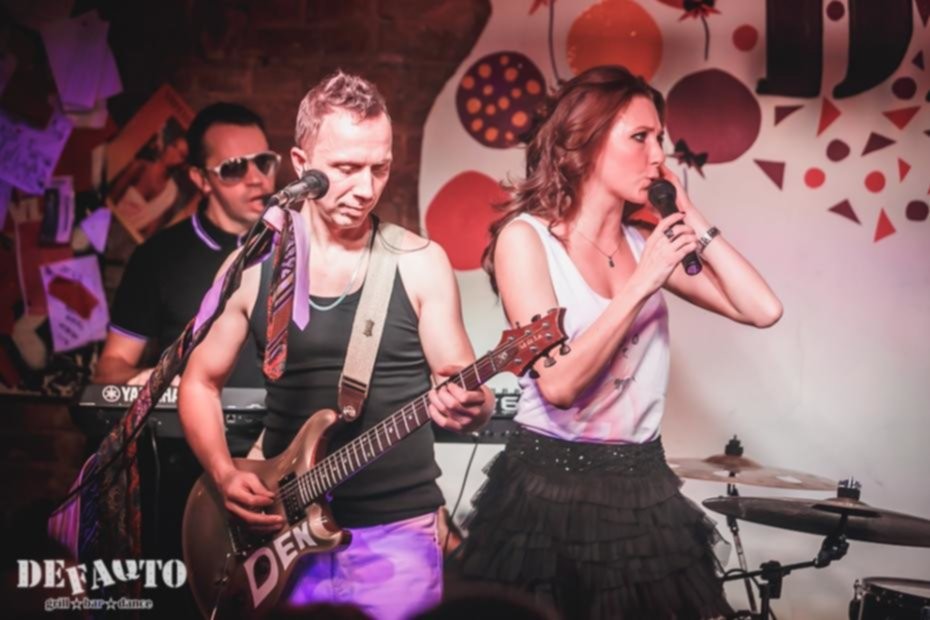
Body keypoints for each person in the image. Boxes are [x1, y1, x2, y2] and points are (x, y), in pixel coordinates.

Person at [456, 66, 783, 619]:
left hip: (641, 486)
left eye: (660, 138)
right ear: (583, 143)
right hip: (546, 489)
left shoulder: (643, 240)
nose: (659, 155)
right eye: (640, 137)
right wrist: (641, 282)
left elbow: (762, 309)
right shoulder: (527, 240)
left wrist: (689, 213)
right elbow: (559, 386)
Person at [178, 71, 494, 620]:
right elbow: (199, 382)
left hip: (395, 536)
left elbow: (462, 381)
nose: (366, 189)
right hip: (280, 535)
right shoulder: (253, 266)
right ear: (301, 165)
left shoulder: (419, 262)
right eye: (347, 168)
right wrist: (225, 475)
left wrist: (472, 403)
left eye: (380, 168)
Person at [95, 102, 278, 388]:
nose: (257, 179)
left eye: (263, 163)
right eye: (234, 168)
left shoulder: (299, 248)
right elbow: (109, 368)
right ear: (201, 179)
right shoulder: (157, 257)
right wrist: (149, 380)